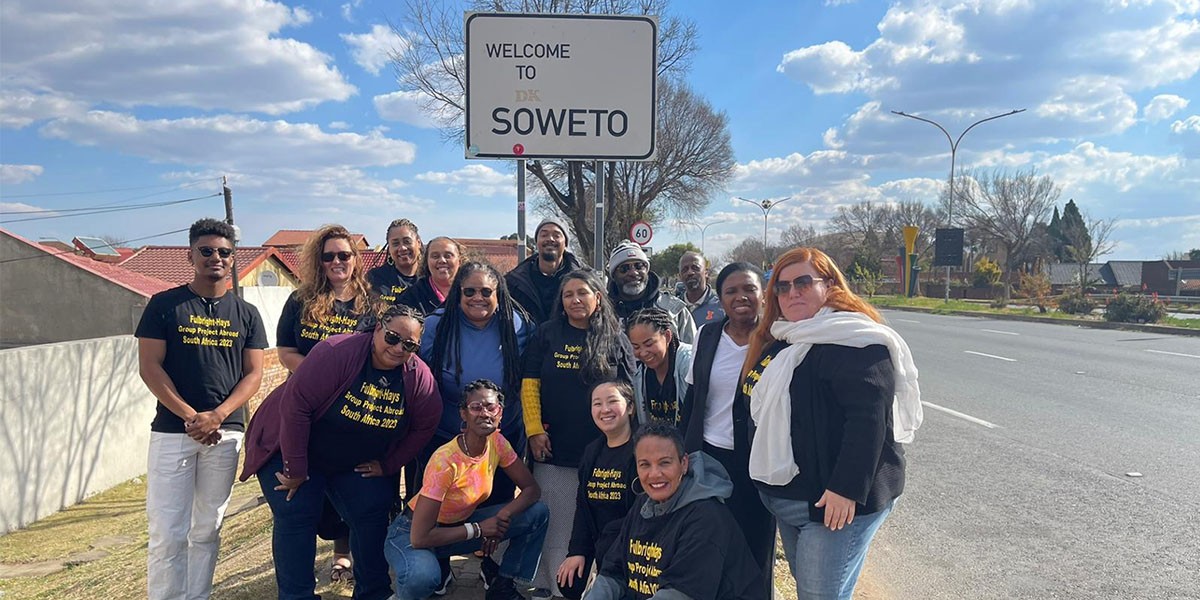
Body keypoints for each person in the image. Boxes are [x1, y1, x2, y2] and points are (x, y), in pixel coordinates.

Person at [743, 247, 922, 600]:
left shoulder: (855, 339)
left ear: (830, 286)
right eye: (782, 286)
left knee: (819, 594)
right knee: (814, 587)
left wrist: (846, 489)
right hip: (789, 497)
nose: (792, 292)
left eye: (803, 282)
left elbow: (867, 420)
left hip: (835, 505)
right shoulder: (782, 340)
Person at [240, 304, 442, 600]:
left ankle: (373, 592)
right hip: (291, 444)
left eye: (409, 344)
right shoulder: (337, 352)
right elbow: (296, 407)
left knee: (372, 508)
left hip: (351, 460)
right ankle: (297, 596)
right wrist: (295, 470)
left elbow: (426, 425)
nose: (398, 348)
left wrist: (388, 465)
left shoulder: (417, 377)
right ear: (377, 329)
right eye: (392, 337)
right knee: (296, 511)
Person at [136, 217, 268, 600]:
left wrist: (218, 415)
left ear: (233, 259)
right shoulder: (164, 305)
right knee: (167, 532)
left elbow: (254, 374)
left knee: (208, 528)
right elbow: (150, 368)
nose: (216, 258)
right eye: (207, 251)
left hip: (225, 434)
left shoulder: (246, 314)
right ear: (190, 254)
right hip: (173, 433)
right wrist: (191, 416)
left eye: (224, 252)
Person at [420, 261, 534, 588]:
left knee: (497, 505)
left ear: (499, 295)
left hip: (501, 436)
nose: (477, 297)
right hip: (445, 437)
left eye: (486, 291)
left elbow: (534, 373)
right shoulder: (435, 326)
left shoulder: (519, 325)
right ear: (457, 293)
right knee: (442, 507)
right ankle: (438, 568)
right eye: (469, 291)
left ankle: (491, 562)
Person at [522, 268, 635, 598]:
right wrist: (533, 430)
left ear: (597, 298)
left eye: (582, 293)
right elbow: (530, 385)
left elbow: (630, 392)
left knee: (601, 520)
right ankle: (553, 585)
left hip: (607, 448)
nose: (575, 300)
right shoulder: (546, 334)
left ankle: (606, 586)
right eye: (568, 294)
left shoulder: (616, 339)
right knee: (556, 520)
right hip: (555, 447)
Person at [276, 224, 378, 582]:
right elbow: (286, 350)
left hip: (356, 409)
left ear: (355, 259)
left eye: (344, 255)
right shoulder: (300, 300)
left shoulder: (373, 302)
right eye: (328, 256)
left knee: (357, 489)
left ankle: (355, 563)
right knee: (315, 491)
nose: (337, 261)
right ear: (318, 262)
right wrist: (314, 376)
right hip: (309, 408)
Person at [385, 380, 549, 600]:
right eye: (476, 407)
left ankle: (503, 585)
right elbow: (420, 537)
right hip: (412, 533)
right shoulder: (445, 460)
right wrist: (480, 529)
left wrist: (501, 519)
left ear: (500, 413)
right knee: (422, 578)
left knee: (537, 513)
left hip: (457, 529)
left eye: (491, 407)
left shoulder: (497, 442)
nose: (484, 413)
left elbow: (531, 489)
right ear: (463, 414)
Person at [679, 262, 776, 599]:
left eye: (748, 289)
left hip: (759, 461)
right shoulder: (707, 337)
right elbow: (692, 400)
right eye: (731, 291)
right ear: (720, 299)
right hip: (709, 457)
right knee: (710, 542)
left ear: (762, 294)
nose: (741, 297)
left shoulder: (778, 340)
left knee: (755, 546)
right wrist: (683, 454)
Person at [584, 424, 761, 600]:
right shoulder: (642, 504)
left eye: (664, 463)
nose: (654, 474)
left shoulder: (707, 517)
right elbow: (614, 571)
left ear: (683, 463)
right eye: (645, 464)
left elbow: (680, 593)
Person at [556, 380, 639, 599]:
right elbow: (583, 506)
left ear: (630, 407)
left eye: (612, 401)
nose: (605, 410)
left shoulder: (641, 450)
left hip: (632, 546)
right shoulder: (592, 452)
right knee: (569, 583)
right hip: (600, 545)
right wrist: (577, 552)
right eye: (597, 403)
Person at [606, 241, 696, 344]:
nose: (633, 273)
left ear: (647, 270)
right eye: (624, 269)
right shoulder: (602, 313)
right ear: (614, 276)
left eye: (639, 266)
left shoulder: (674, 310)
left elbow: (694, 353)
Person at [506, 216, 586, 325]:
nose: (550, 239)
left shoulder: (585, 281)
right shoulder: (514, 282)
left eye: (556, 235)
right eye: (544, 235)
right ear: (536, 242)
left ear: (566, 243)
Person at [626, 308, 692, 429]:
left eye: (649, 344)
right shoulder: (640, 375)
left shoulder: (689, 362)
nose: (643, 353)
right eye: (636, 347)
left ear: (667, 336)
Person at [396, 236, 463, 315]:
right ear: (427, 261)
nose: (442, 260)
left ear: (460, 261)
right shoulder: (410, 298)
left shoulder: (473, 291)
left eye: (448, 256)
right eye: (435, 256)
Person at [367, 218, 423, 305]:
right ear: (389, 248)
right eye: (395, 243)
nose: (402, 248)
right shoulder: (374, 278)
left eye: (407, 241)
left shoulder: (430, 277)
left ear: (418, 243)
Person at [675, 252, 724, 327]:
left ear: (706, 273)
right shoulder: (673, 309)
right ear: (680, 276)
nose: (690, 272)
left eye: (695, 268)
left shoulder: (722, 306)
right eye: (685, 270)